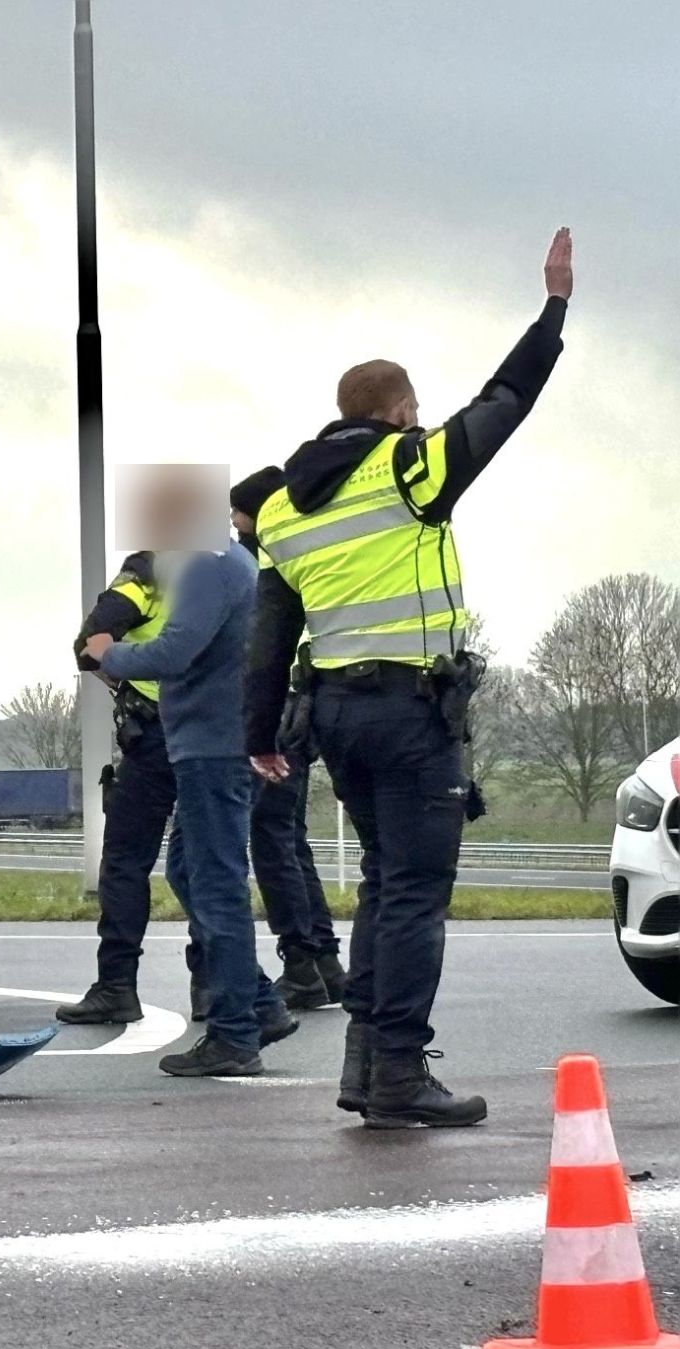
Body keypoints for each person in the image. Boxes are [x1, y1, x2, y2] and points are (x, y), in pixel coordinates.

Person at [245, 228, 573, 1129]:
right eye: (416, 411)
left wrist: (258, 735)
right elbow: (506, 401)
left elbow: (270, 632)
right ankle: (396, 1071)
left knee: (386, 884)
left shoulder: (280, 507)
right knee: (415, 896)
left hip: (333, 718)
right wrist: (553, 311)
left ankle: (365, 1063)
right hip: (411, 716)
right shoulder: (408, 468)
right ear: (398, 413)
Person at [84, 469, 294, 1076]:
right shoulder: (232, 564)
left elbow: (177, 650)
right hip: (216, 740)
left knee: (215, 883)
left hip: (213, 744)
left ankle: (234, 1034)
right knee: (189, 869)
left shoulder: (208, 567)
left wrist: (109, 655)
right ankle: (259, 1003)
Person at [230, 469, 345, 1015]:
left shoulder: (263, 563)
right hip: (304, 711)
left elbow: (259, 651)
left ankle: (301, 962)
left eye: (240, 515)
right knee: (290, 839)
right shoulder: (312, 545)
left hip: (275, 716)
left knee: (271, 840)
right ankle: (324, 961)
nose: (234, 526)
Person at [57, 550, 176, 1026]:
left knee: (126, 861)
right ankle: (223, 987)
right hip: (223, 731)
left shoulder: (149, 572)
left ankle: (116, 986)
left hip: (159, 735)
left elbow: (88, 644)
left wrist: (124, 676)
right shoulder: (236, 566)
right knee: (207, 866)